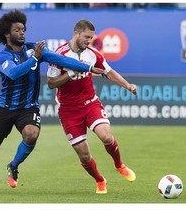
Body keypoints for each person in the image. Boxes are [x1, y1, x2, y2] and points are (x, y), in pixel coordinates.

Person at [0, 10, 103, 194]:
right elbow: (14, 74)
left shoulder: (34, 49)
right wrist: (35, 59)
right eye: (17, 30)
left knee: (31, 134)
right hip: (4, 108)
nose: (22, 32)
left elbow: (62, 59)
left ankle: (13, 166)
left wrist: (89, 67)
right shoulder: (4, 56)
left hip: (28, 108)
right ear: (7, 34)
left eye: (23, 29)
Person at [47, 19, 137, 194]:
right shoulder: (60, 55)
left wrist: (127, 85)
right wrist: (71, 73)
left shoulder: (93, 54)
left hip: (90, 104)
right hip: (68, 110)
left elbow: (109, 72)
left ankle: (119, 165)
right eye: (87, 37)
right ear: (76, 33)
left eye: (91, 38)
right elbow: (51, 83)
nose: (89, 41)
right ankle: (100, 180)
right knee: (84, 154)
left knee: (106, 136)